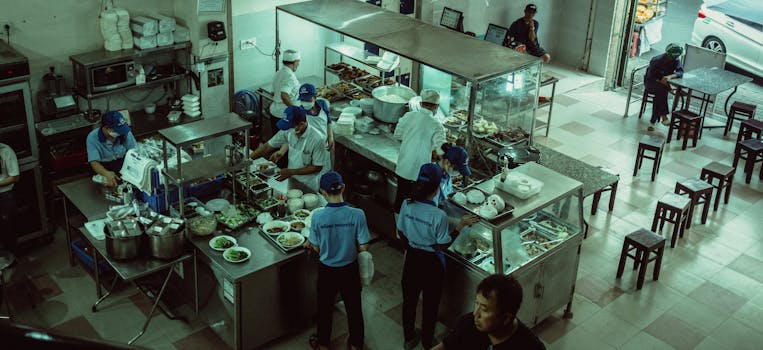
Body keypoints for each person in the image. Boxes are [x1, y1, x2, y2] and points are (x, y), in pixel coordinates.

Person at [398, 163, 478, 350]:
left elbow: (401, 231)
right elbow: (443, 244)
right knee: (430, 305)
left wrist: (409, 247)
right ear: (436, 189)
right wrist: (461, 225)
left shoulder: (406, 203)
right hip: (431, 263)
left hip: (412, 258)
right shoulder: (438, 215)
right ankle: (427, 342)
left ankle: (409, 338)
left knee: (409, 301)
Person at [307, 171, 371, 350]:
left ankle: (323, 344)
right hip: (349, 269)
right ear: (343, 188)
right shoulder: (357, 214)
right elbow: (364, 245)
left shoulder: (318, 216)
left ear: (323, 192)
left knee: (324, 309)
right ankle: (356, 345)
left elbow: (316, 246)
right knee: (354, 309)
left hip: (327, 269)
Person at [433, 274, 546, 350]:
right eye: (476, 303)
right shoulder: (468, 324)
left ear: (506, 318)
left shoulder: (531, 346)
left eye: (484, 309)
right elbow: (446, 346)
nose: (475, 314)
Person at [249, 106, 329, 191]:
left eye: (290, 126)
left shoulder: (317, 139)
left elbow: (317, 167)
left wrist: (291, 172)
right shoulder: (288, 131)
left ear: (301, 124)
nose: (287, 129)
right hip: (292, 179)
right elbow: (266, 146)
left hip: (308, 184)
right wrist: (248, 159)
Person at [393, 89, 447, 214]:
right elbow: (441, 150)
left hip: (403, 167)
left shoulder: (408, 116)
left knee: (400, 200)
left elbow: (397, 135)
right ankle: (410, 230)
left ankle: (398, 231)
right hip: (420, 173)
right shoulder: (437, 125)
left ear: (421, 104)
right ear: (436, 107)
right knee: (415, 206)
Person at [86, 111, 137, 187]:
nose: (121, 133)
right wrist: (106, 173)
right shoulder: (92, 138)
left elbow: (134, 152)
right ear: (107, 128)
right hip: (103, 167)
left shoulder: (125, 133)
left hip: (122, 164)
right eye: (118, 130)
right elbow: (94, 162)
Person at [644, 43, 684, 131]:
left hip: (663, 84)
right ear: (668, 55)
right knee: (661, 90)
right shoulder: (656, 60)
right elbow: (651, 76)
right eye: (672, 57)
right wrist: (667, 86)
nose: (674, 59)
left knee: (659, 95)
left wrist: (670, 77)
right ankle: (663, 116)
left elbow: (680, 72)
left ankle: (653, 121)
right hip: (651, 82)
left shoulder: (676, 60)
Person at [297, 83, 334, 151]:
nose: (305, 102)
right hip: (309, 147)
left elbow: (328, 121)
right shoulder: (299, 112)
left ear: (315, 97)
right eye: (302, 100)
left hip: (324, 143)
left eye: (308, 100)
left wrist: (330, 137)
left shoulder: (322, 104)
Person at [269, 49, 301, 119]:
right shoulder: (290, 77)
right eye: (298, 62)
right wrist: (295, 110)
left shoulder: (278, 73)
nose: (298, 64)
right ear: (295, 62)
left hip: (275, 112)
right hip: (284, 114)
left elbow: (272, 93)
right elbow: (284, 95)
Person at [0, 141, 19, 251]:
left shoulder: (6, 151)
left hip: (4, 195)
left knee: (7, 230)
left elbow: (15, 177)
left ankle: (12, 256)